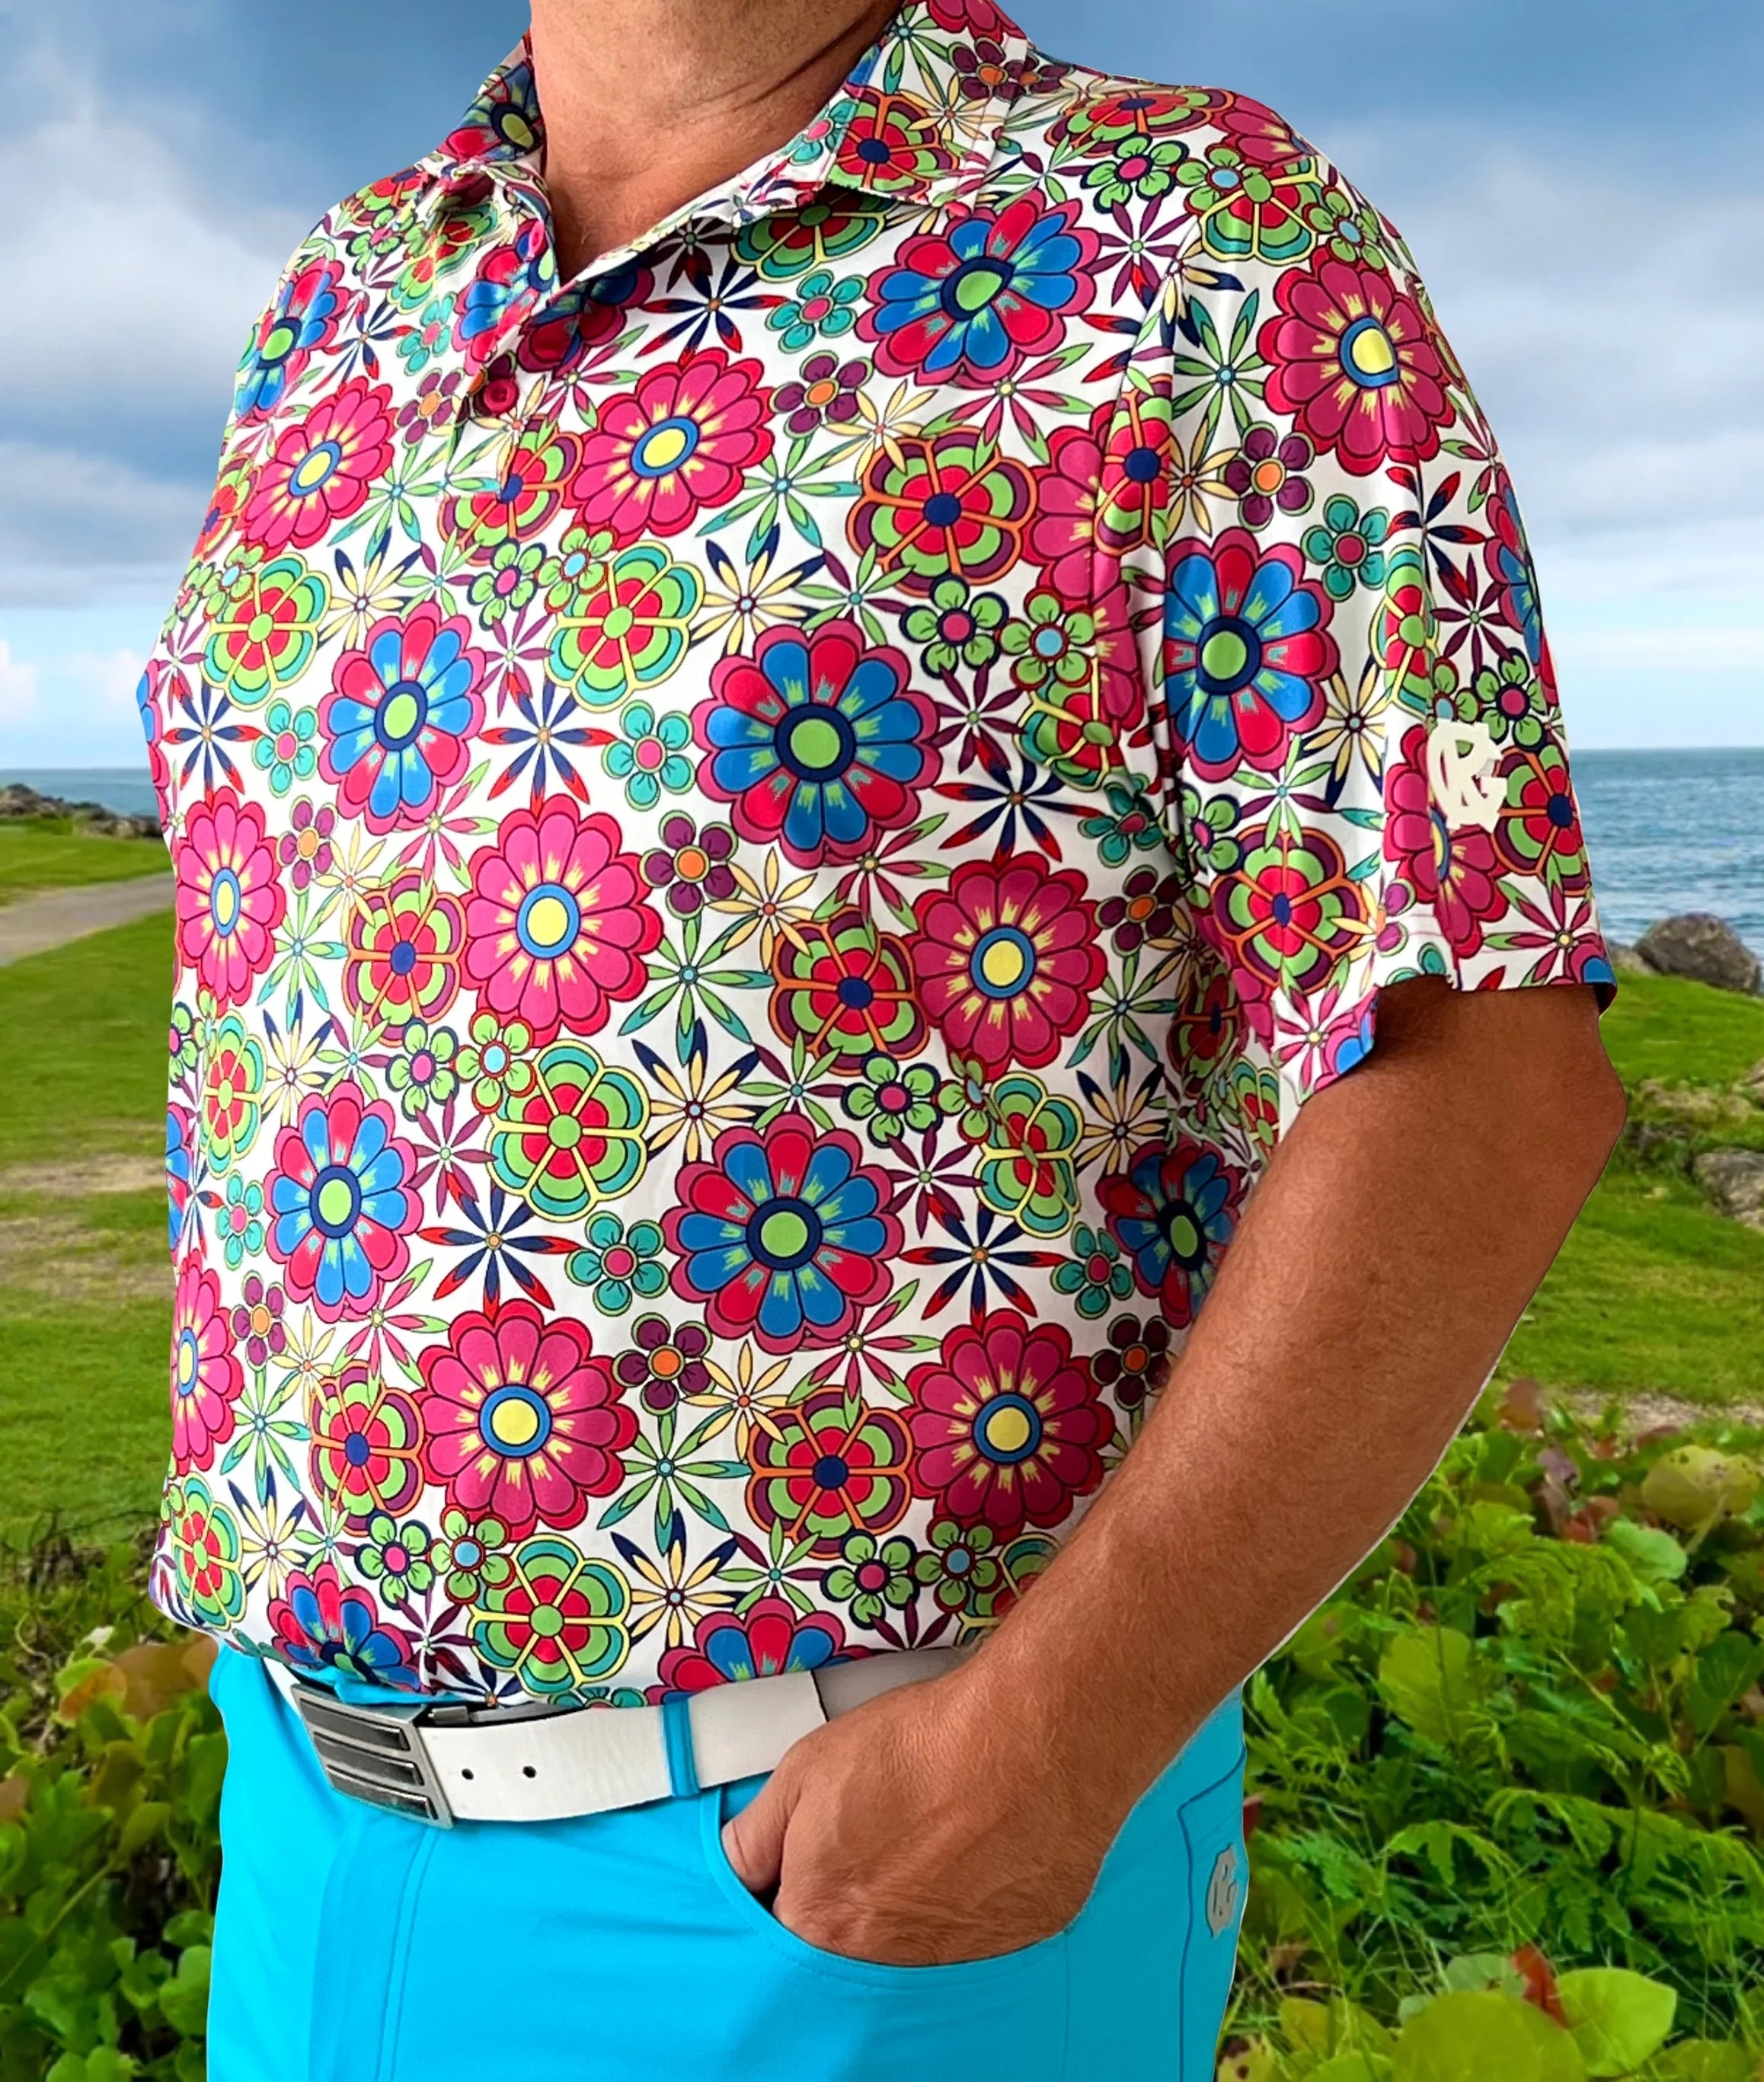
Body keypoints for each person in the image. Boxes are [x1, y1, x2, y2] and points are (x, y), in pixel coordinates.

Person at [141, 1, 1625, 2075]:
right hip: (309, 1837)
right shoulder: (351, 289)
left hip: (825, 1888)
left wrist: (1051, 1742)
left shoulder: (1192, 242)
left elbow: (1476, 1064)